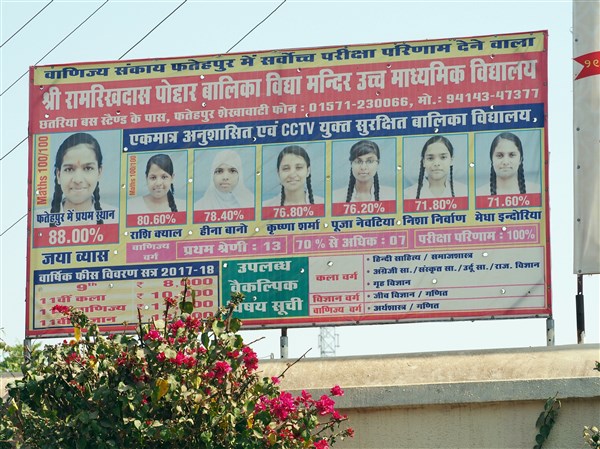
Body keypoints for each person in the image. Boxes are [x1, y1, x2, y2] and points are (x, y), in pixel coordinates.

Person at [43, 132, 116, 226]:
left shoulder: (116, 218)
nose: (78, 180)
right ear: (58, 175)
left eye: (88, 168)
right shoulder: (40, 222)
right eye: (69, 169)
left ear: (99, 172)